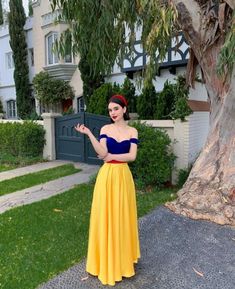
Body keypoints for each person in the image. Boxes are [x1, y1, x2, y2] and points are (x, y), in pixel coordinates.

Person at [74, 94, 140, 286]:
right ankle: (104, 262)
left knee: (122, 217)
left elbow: (132, 156)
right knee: (105, 217)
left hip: (123, 177)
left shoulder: (133, 131)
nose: (113, 113)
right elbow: (102, 154)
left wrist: (112, 156)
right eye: (110, 110)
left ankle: (122, 261)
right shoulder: (105, 129)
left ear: (124, 109)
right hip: (106, 177)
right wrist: (89, 134)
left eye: (116, 109)